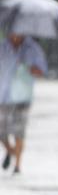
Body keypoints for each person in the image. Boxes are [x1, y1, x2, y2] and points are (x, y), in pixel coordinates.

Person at [0, 33, 47, 174]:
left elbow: (41, 70)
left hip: (23, 96)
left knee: (19, 131)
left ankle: (17, 165)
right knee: (1, 131)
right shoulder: (3, 47)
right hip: (4, 95)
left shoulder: (32, 49)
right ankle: (11, 151)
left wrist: (30, 68)